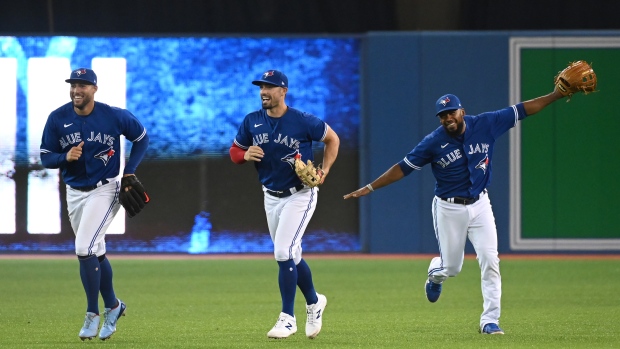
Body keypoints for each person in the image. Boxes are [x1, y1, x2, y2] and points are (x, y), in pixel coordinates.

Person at [344, 87, 567, 334]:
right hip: (449, 208)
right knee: (452, 268)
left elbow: (523, 109)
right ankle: (435, 274)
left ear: (462, 111)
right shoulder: (433, 142)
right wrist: (370, 187)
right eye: (443, 115)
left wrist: (556, 94)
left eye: (451, 112)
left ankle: (490, 321)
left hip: (481, 204)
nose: (448, 118)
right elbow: (403, 168)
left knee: (490, 260)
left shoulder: (486, 124)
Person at [40, 68, 149, 340]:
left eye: (83, 85)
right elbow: (44, 156)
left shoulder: (112, 115)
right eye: (74, 85)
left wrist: (130, 170)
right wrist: (64, 157)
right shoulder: (57, 118)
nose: (77, 90)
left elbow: (141, 137)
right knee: (96, 251)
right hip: (74, 192)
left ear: (94, 89)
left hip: (105, 189)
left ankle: (92, 313)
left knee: (83, 247)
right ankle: (114, 306)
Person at [229, 69, 340, 339]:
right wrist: (245, 154)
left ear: (283, 91)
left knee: (282, 251)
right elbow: (233, 152)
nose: (263, 92)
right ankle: (315, 302)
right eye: (261, 87)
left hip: (300, 194)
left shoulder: (302, 121)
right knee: (293, 255)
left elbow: (332, 139)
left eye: (269, 87)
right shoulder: (252, 121)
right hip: (270, 195)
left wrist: (323, 170)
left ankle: (287, 318)